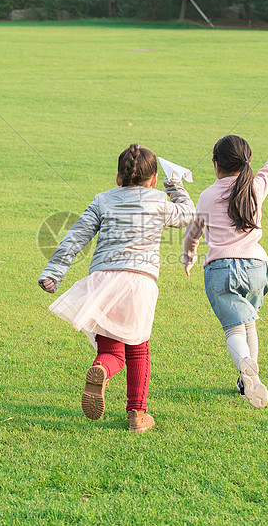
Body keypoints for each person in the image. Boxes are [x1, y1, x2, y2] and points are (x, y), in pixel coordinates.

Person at [39, 143, 196, 432]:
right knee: (138, 348)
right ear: (152, 180)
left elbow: (76, 237)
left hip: (103, 282)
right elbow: (188, 214)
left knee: (112, 349)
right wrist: (175, 185)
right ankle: (138, 413)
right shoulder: (159, 201)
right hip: (139, 283)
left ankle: (102, 368)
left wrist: (54, 271)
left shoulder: (102, 200)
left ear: (118, 178)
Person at [182, 118, 268, 408]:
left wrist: (189, 256)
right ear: (245, 164)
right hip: (257, 269)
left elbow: (194, 233)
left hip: (222, 271)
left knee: (233, 329)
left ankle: (244, 364)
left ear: (216, 164)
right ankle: (247, 384)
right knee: (249, 322)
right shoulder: (255, 187)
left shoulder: (207, 195)